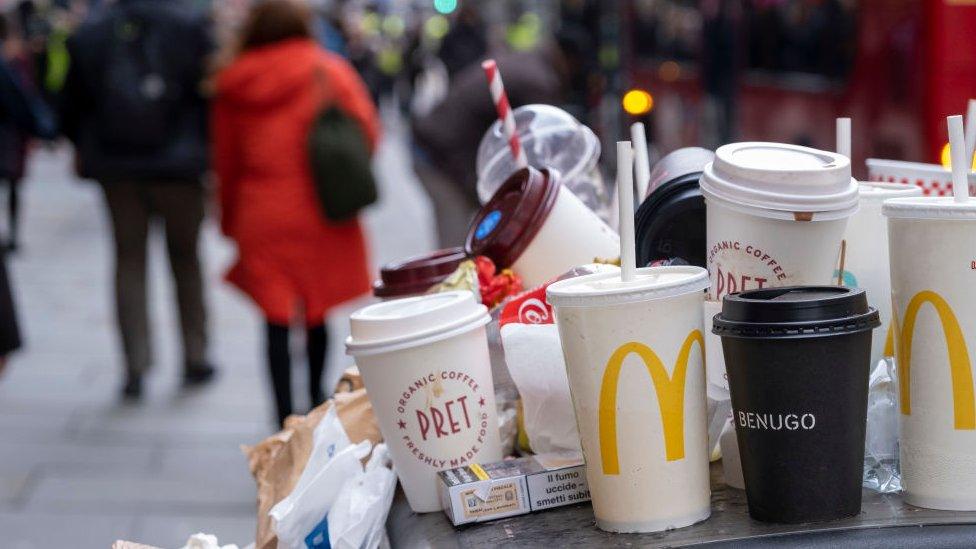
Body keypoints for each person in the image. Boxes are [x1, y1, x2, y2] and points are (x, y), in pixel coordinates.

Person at [211, 0, 380, 426]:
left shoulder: (233, 82)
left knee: (275, 315)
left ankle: (283, 418)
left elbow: (225, 162)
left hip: (262, 213)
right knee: (318, 309)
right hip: (320, 212)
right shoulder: (329, 71)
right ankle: (316, 407)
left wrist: (229, 219)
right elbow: (368, 135)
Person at [59, 0, 215, 399]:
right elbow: (208, 95)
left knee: (129, 260)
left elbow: (71, 103)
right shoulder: (190, 24)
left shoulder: (91, 31)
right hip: (180, 167)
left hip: (117, 167)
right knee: (187, 259)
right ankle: (195, 355)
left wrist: (83, 146)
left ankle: (135, 365)